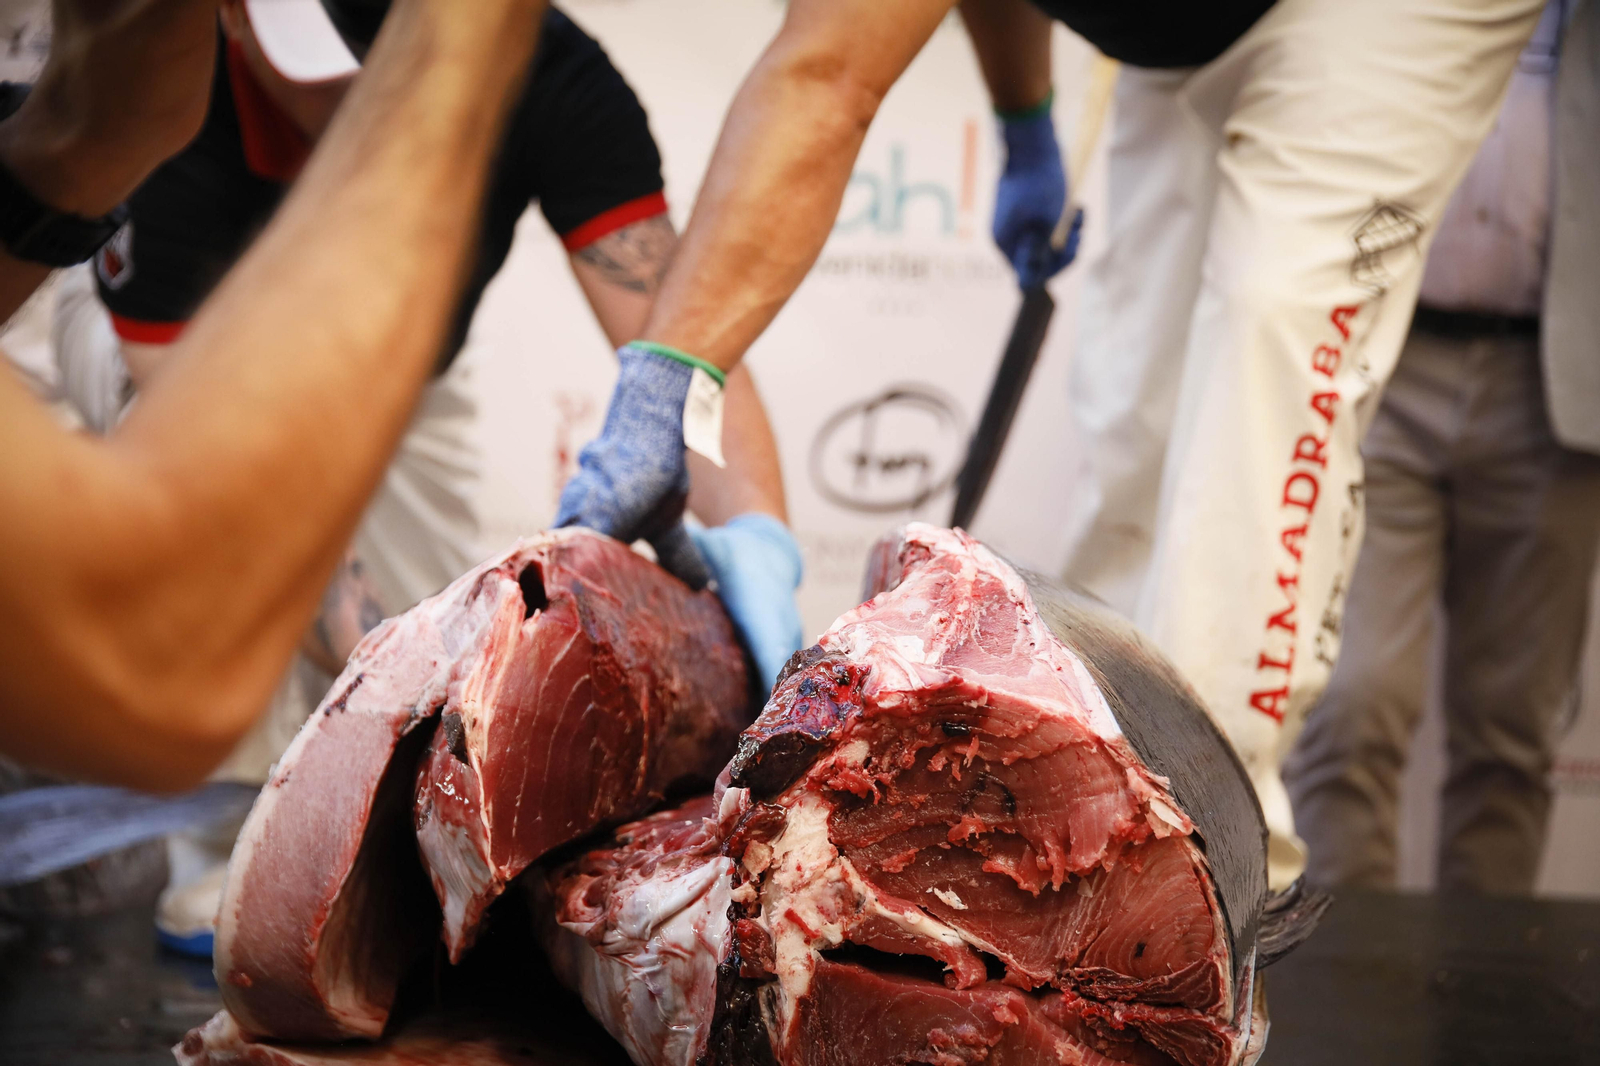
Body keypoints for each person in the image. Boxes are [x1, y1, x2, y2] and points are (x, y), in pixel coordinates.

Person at [552, 0, 1548, 889]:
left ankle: (1207, 905)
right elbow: (833, 52)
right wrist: (1024, 118)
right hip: (1182, 38)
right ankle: (1073, 828)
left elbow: (825, 78)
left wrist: (662, 380)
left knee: (1269, 335)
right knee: (1133, 410)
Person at [80, 0, 803, 699]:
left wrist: (756, 530)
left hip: (398, 374)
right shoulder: (168, 92)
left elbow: (676, 333)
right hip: (195, 363)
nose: (377, 108)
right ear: (235, 14)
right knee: (228, 686)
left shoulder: (545, 64)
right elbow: (224, 469)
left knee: (438, 627)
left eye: (413, 67)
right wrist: (398, 683)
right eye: (335, 80)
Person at [0, 0, 550, 789]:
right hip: (181, 344)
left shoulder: (134, 107)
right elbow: (156, 640)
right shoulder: (182, 174)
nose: (341, 109)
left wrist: (69, 145)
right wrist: (458, 46)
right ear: (241, 29)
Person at [1285, 0, 1600, 895]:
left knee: (1510, 735)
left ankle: (1485, 1011)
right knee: (1349, 710)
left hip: (1557, 385)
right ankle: (1352, 1013)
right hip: (1377, 365)